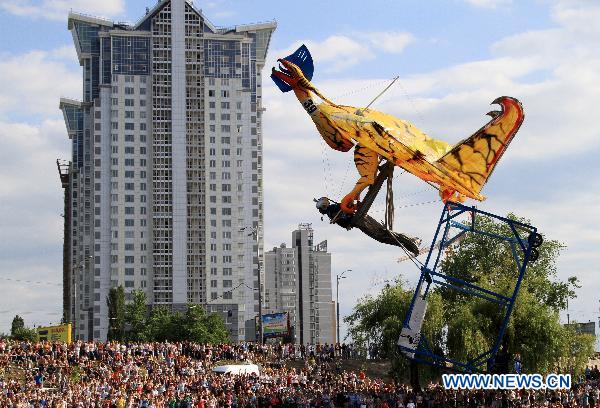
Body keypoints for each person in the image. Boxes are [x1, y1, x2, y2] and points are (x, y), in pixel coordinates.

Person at [315, 197, 420, 255]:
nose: (320, 211)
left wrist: (345, 220)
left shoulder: (333, 209)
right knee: (383, 236)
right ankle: (410, 244)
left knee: (383, 235)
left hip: (361, 220)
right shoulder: (332, 211)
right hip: (359, 221)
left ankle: (412, 241)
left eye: (320, 209)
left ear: (324, 207)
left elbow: (346, 213)